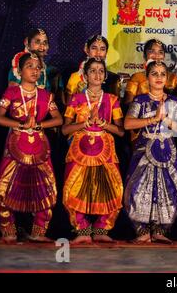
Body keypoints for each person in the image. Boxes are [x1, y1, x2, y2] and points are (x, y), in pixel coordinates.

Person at [0, 52, 63, 243]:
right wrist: (20, 125)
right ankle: (9, 230)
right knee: (2, 188)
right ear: (19, 71)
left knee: (48, 189)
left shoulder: (46, 95)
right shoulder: (12, 92)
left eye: (38, 67)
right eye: (30, 66)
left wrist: (39, 126)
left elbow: (58, 119)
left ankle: (39, 232)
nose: (35, 70)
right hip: (15, 143)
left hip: (39, 145)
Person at [62, 58, 124, 244]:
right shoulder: (76, 99)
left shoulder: (112, 100)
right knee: (73, 188)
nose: (97, 74)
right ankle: (81, 229)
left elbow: (121, 131)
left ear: (105, 76)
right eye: (93, 71)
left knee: (113, 188)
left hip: (105, 149)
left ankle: (101, 228)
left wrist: (105, 124)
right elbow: (65, 129)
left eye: (100, 71)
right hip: (79, 150)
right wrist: (84, 123)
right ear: (85, 75)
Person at [123, 61, 177, 244]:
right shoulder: (140, 100)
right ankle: (141, 230)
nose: (159, 77)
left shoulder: (176, 101)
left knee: (171, 189)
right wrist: (153, 119)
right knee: (138, 188)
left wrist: (167, 121)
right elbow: (128, 124)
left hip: (168, 152)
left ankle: (161, 230)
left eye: (162, 74)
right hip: (144, 150)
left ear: (167, 78)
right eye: (154, 74)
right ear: (147, 77)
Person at [8, 28, 64, 108]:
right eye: (37, 42)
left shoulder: (52, 71)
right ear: (27, 42)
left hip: (47, 114)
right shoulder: (18, 70)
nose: (42, 46)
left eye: (45, 43)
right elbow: (13, 99)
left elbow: (59, 101)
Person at [65, 35, 121, 104]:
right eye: (94, 48)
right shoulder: (75, 77)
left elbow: (116, 107)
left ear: (106, 53)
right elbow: (68, 108)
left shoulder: (113, 79)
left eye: (102, 49)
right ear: (87, 50)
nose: (98, 52)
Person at [124, 39, 177, 104]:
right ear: (144, 55)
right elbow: (127, 105)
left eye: (160, 52)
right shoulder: (137, 78)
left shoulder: (174, 78)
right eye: (152, 51)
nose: (157, 55)